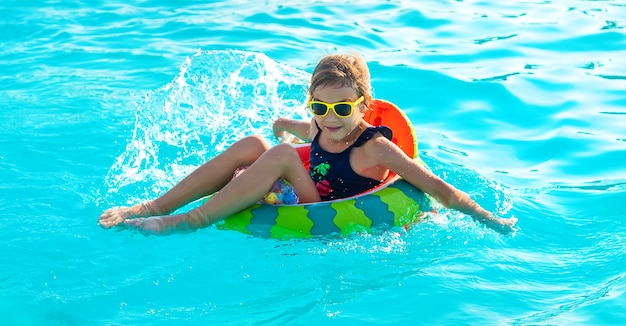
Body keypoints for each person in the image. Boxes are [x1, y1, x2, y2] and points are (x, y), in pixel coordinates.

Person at [98, 53, 518, 235]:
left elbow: (438, 187)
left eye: (342, 108)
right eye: (320, 106)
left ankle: (186, 222)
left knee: (277, 155)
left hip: (321, 204)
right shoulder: (319, 125)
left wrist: (487, 218)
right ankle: (155, 206)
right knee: (255, 142)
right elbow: (287, 126)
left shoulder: (375, 149)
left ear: (364, 106)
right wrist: (281, 130)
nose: (329, 118)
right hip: (302, 188)